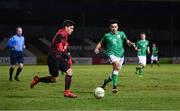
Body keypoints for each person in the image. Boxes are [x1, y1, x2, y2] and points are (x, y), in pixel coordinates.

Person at [30, 20, 77, 98]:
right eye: (71, 28)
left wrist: (67, 57)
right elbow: (59, 47)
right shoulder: (62, 34)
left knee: (69, 71)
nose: (72, 30)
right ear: (66, 27)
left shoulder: (64, 34)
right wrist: (68, 57)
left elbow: (62, 50)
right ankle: (37, 79)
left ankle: (66, 92)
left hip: (58, 57)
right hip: (53, 58)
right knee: (54, 79)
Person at [94, 19, 135, 93]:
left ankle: (105, 82)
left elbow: (127, 41)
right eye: (112, 27)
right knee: (117, 66)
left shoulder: (122, 34)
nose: (114, 28)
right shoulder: (107, 35)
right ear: (110, 27)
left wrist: (130, 44)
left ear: (118, 27)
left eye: (115, 27)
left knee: (115, 72)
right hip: (111, 54)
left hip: (121, 55)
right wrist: (97, 48)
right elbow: (100, 43)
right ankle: (114, 87)